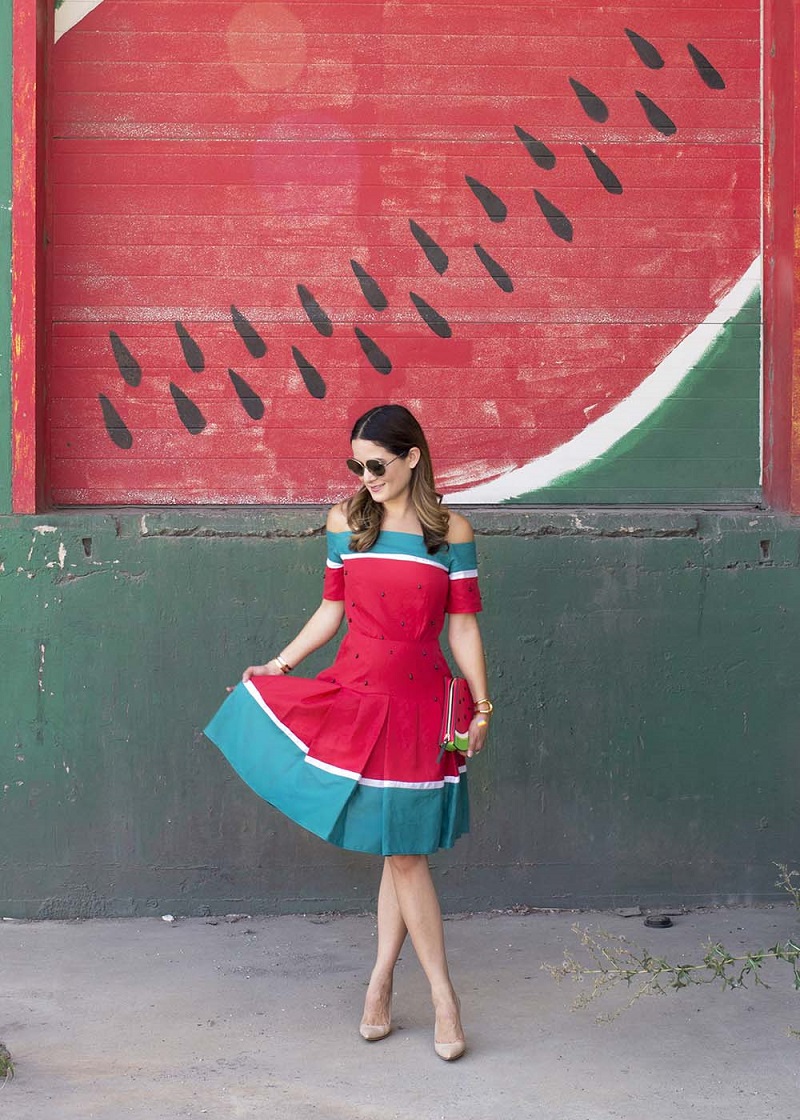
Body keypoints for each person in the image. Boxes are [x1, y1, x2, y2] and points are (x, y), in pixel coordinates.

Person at [204, 403, 491, 1061]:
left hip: (427, 707)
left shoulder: (452, 533)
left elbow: (464, 627)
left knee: (404, 849)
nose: (366, 477)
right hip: (358, 696)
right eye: (356, 465)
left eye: (378, 464)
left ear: (412, 456)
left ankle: (384, 983)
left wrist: (481, 708)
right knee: (403, 850)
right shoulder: (346, 523)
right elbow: (331, 609)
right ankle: (436, 997)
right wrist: (278, 665)